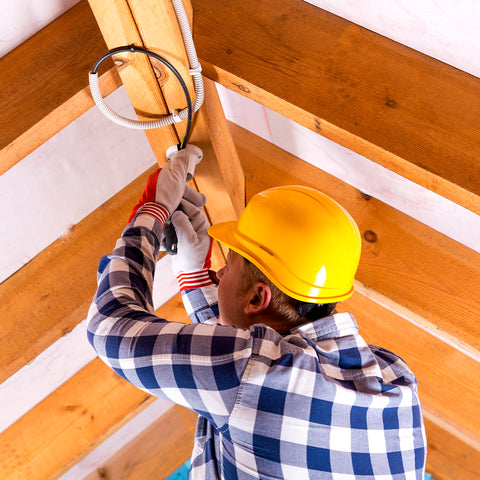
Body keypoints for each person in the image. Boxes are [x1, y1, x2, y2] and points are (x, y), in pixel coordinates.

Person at [87, 145, 426, 479]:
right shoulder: (394, 378)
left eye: (228, 266)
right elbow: (246, 378)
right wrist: (193, 279)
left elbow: (110, 324)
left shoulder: (253, 371)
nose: (218, 275)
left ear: (257, 299)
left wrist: (153, 211)